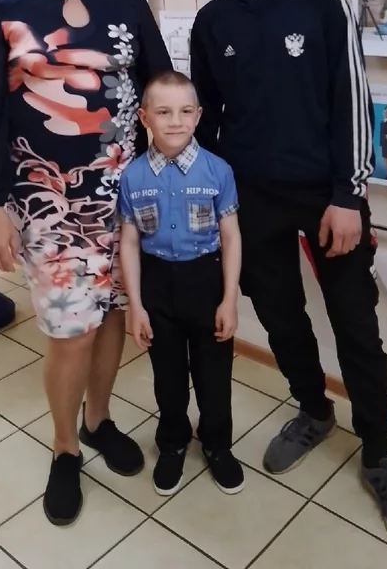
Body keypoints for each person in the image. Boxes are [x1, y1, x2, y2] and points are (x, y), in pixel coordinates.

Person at [189, 0, 387, 548]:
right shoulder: (213, 23)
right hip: (252, 199)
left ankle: (378, 455)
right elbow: (208, 119)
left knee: (356, 327)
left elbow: (355, 100)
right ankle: (312, 408)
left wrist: (349, 195)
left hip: (327, 195)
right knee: (280, 314)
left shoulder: (322, 2)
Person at [0, 0, 172, 526]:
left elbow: (157, 84)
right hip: (45, 199)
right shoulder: (2, 2)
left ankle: (100, 418)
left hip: (127, 192)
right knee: (69, 329)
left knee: (109, 315)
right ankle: (63, 446)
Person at [118, 71, 244, 496]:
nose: (176, 121)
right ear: (144, 117)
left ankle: (217, 445)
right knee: (167, 376)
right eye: (164, 112)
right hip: (157, 285)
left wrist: (229, 299)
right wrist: (135, 305)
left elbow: (231, 236)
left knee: (214, 376)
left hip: (205, 281)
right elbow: (130, 241)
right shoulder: (132, 177)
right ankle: (172, 442)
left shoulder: (217, 170)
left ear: (198, 115)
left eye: (186, 111)